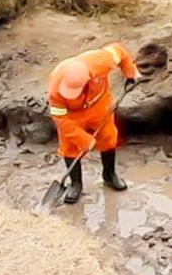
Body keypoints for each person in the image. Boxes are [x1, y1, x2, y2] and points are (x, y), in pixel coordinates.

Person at [48, 42, 141, 203]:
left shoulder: (100, 61)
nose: (72, 95)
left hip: (99, 104)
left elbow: (120, 52)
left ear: (88, 80)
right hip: (72, 115)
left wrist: (130, 72)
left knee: (108, 137)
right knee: (70, 145)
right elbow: (60, 120)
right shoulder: (55, 89)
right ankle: (75, 184)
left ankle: (109, 175)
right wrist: (82, 139)